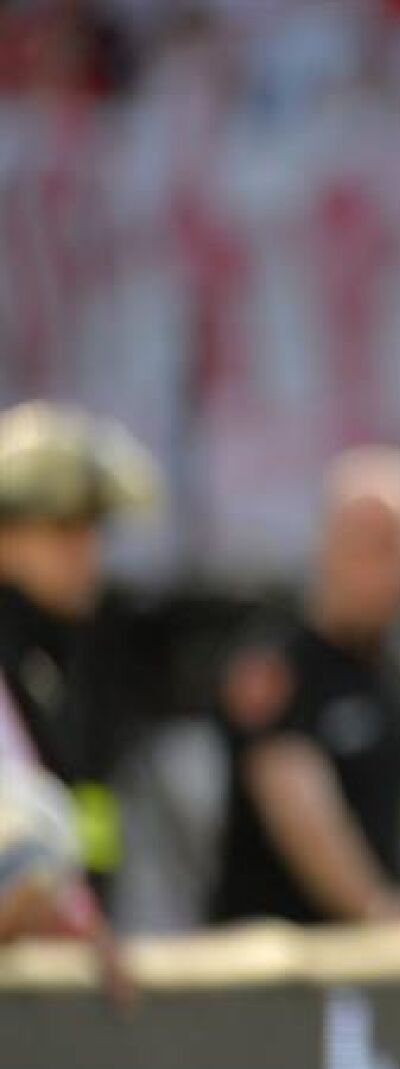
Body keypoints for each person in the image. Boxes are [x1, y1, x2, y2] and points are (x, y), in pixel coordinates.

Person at [207, 446, 400, 924]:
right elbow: (299, 808)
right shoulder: (277, 664)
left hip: (366, 953)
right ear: (326, 547)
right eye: (367, 544)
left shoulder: (392, 672)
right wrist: (382, 912)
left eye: (397, 547)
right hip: (284, 950)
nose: (382, 567)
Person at [0, 400, 153, 1002]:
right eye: (62, 529)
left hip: (65, 970)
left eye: (92, 531)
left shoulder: (84, 649)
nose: (84, 551)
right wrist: (56, 901)